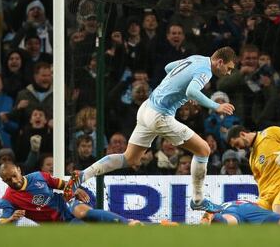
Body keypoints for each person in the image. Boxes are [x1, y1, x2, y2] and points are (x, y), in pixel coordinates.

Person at [64, 46, 237, 212]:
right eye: (228, 68)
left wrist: (183, 89)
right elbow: (192, 91)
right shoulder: (205, 71)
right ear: (220, 62)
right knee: (204, 150)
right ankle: (198, 200)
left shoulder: (196, 58)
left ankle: (82, 176)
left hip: (147, 108)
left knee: (130, 158)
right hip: (160, 115)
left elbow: (169, 67)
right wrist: (216, 106)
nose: (228, 73)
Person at [0, 162, 140, 225]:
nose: (14, 181)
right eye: (8, 179)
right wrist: (11, 219)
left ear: (19, 170)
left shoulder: (38, 176)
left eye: (14, 175)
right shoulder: (8, 199)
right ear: (4, 181)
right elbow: (2, 222)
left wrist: (75, 189)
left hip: (66, 203)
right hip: (60, 225)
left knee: (82, 212)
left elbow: (62, 185)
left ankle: (128, 223)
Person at [226, 125, 280, 216]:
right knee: (248, 218)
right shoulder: (252, 159)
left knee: (279, 218)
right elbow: (260, 182)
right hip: (266, 198)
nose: (238, 148)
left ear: (242, 134)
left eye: (237, 144)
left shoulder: (271, 133)